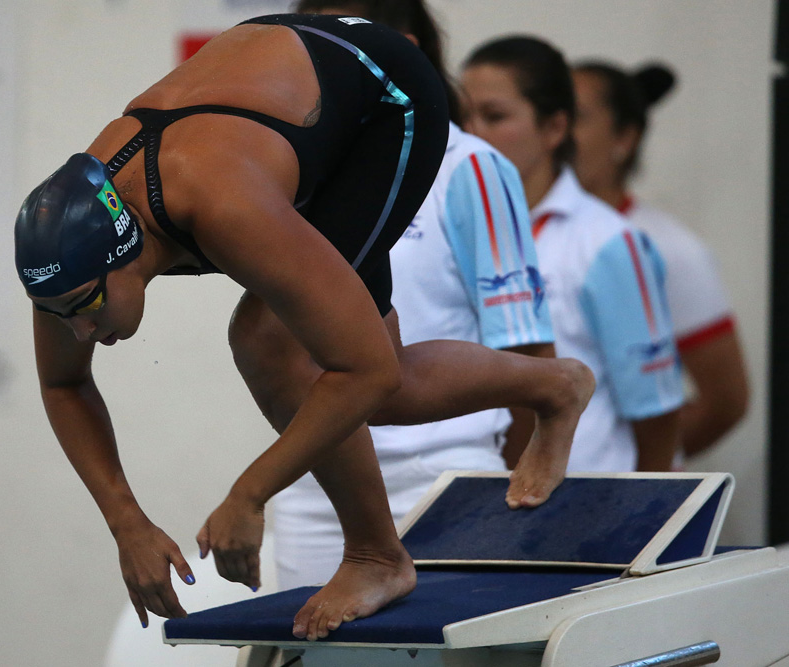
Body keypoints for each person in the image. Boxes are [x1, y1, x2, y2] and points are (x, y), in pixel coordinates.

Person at [14, 15, 594, 642]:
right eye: (59, 314)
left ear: (127, 254)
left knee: (275, 343)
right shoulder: (67, 253)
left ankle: (376, 556)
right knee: (370, 379)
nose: (79, 329)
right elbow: (62, 387)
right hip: (285, 100)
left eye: (85, 307)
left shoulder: (220, 205)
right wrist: (126, 523)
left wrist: (250, 493)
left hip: (384, 99)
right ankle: (555, 387)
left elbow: (363, 372)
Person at [273, 0, 556, 590]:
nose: (317, 67)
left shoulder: (470, 165)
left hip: (441, 479)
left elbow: (529, 354)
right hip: (316, 483)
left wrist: (522, 495)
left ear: (403, 52)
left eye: (336, 49)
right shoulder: (291, 171)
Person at [461, 36, 684, 473]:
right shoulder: (455, 228)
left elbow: (656, 409)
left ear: (554, 129)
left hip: (584, 505)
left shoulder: (606, 241)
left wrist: (640, 526)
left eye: (494, 116)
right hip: (478, 496)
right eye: (464, 116)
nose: (472, 134)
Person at [571, 61, 749, 458]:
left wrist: (642, 472)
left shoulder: (669, 249)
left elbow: (725, 400)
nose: (560, 130)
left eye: (577, 116)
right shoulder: (521, 235)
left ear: (625, 137)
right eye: (552, 112)